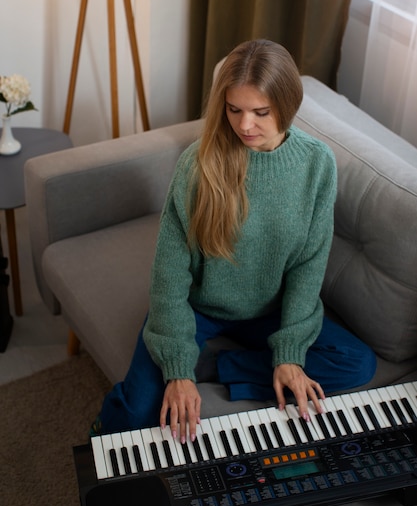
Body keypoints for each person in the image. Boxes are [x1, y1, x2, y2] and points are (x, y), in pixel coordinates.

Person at [93, 39, 376, 441]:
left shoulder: (317, 165)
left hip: (269, 312)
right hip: (199, 309)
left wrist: (290, 354)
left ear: (288, 105)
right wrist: (176, 369)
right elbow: (169, 276)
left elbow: (307, 266)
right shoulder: (199, 164)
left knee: (356, 363)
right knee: (138, 410)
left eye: (261, 112)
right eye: (234, 110)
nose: (245, 126)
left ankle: (217, 367)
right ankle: (107, 443)